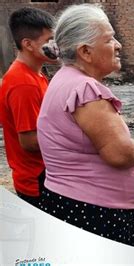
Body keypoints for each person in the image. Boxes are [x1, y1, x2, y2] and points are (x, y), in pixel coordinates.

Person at [37, 4, 134, 249]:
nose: (118, 45)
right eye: (109, 39)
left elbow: (93, 144)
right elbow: (120, 154)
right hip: (96, 216)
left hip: (74, 206)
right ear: (85, 51)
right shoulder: (86, 90)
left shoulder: (64, 80)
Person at [0, 7, 55, 207]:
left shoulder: (36, 75)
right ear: (28, 44)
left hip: (41, 175)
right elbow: (30, 141)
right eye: (49, 40)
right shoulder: (23, 83)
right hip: (37, 180)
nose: (54, 45)